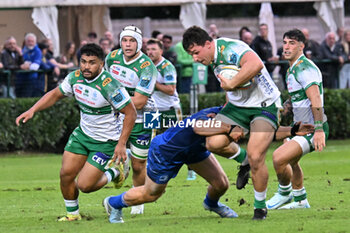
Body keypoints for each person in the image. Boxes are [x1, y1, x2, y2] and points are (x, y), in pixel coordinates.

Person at [15, 43, 136, 221]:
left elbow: (131, 113)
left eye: (92, 62)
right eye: (83, 61)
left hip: (105, 141)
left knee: (85, 185)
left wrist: (121, 144)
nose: (86, 66)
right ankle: (73, 215)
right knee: (66, 174)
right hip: (82, 136)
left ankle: (116, 171)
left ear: (102, 64)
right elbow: (55, 94)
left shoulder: (110, 85)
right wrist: (32, 109)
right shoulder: (74, 77)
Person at [182, 26, 282, 220]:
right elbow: (229, 84)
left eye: (195, 53)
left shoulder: (231, 48)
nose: (194, 58)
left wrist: (232, 83)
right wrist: (226, 110)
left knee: (256, 155)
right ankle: (243, 160)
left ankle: (260, 208)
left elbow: (255, 65)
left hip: (265, 105)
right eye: (191, 54)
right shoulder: (212, 57)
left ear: (208, 44)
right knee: (214, 142)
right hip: (237, 108)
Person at [103, 106, 245, 223]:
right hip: (166, 151)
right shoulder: (213, 115)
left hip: (194, 151)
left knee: (221, 184)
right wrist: (231, 132)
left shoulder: (232, 117)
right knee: (151, 194)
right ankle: (114, 203)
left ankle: (211, 204)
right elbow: (199, 129)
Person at [266, 29, 328, 209]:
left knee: (279, 158)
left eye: (291, 43)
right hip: (301, 126)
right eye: (284, 42)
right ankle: (301, 200)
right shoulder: (293, 67)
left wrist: (318, 130)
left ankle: (284, 193)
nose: (286, 47)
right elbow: (298, 97)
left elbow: (315, 98)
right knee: (291, 161)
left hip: (311, 127)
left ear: (302, 46)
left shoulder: (304, 67)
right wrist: (284, 108)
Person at [104, 25, 158, 215]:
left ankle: (138, 199)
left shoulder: (147, 67)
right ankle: (121, 165)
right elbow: (107, 86)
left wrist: (114, 104)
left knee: (139, 164)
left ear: (139, 44)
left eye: (132, 41)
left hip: (147, 116)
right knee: (115, 152)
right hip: (121, 113)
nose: (127, 44)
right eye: (125, 40)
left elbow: (141, 101)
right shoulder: (111, 58)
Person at [146, 39, 196, 180]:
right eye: (148, 49)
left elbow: (170, 89)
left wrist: (153, 83)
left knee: (180, 140)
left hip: (170, 109)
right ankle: (150, 170)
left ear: (161, 51)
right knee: (149, 139)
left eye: (153, 49)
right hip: (152, 109)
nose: (150, 52)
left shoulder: (167, 67)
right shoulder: (145, 67)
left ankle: (192, 168)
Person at [16, 33, 42, 97]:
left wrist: (27, 66)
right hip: (20, 80)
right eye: (28, 41)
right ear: (25, 42)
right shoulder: (23, 50)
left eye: (32, 41)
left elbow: (35, 67)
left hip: (31, 80)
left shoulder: (37, 51)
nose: (30, 43)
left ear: (35, 42)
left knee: (26, 97)